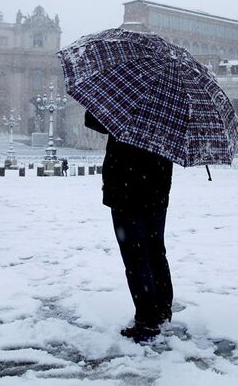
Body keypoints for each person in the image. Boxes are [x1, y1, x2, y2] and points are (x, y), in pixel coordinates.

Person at [85, 110, 173, 343]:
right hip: (157, 188)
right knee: (155, 250)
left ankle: (147, 318)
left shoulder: (126, 99)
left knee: (136, 256)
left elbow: (93, 120)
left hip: (127, 188)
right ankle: (162, 307)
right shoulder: (169, 105)